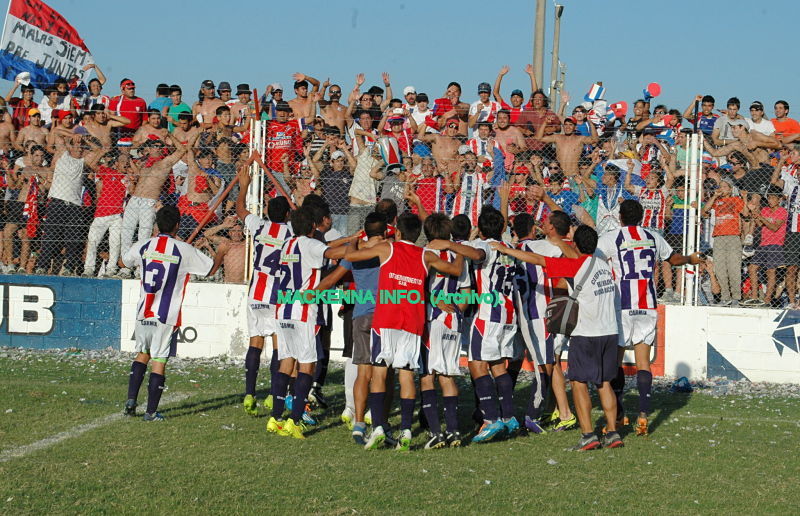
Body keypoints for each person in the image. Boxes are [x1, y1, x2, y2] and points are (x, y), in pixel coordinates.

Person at [492, 225, 623, 451]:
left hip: (586, 333)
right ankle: (613, 433)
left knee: (579, 384)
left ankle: (588, 435)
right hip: (610, 332)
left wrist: (508, 251)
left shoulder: (574, 265)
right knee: (604, 383)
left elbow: (538, 260)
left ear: (576, 245)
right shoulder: (603, 264)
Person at [344, 212, 465, 451]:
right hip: (412, 322)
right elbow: (455, 270)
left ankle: (378, 426)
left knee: (379, 373)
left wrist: (355, 239)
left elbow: (350, 256)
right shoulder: (425, 255)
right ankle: (407, 430)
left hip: (386, 319)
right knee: (406, 374)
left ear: (397, 232)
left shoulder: (386, 249)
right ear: (418, 234)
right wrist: (459, 249)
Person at [596, 200, 703, 436]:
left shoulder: (610, 238)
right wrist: (690, 259)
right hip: (647, 306)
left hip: (620, 306)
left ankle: (620, 414)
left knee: (615, 362)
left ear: (620, 217)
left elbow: (594, 260)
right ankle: (643, 416)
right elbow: (673, 259)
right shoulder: (653, 237)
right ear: (642, 217)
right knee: (643, 363)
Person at [122, 205, 214, 421]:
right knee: (159, 361)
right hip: (166, 315)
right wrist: (219, 253)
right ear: (178, 225)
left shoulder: (144, 245)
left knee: (142, 354)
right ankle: (151, 412)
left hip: (144, 312)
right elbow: (209, 269)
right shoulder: (183, 249)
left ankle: (130, 402)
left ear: (156, 225)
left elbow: (124, 261)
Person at [266, 206, 351, 439]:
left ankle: (276, 417)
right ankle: (294, 420)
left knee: (286, 363)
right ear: (313, 226)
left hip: (283, 309)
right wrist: (354, 248)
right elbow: (333, 253)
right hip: (303, 312)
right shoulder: (309, 243)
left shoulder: (287, 245)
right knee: (307, 366)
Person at [235, 166, 293, 416]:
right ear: (288, 214)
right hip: (278, 295)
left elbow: (239, 210)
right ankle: (272, 394)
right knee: (279, 346)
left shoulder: (259, 226)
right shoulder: (291, 233)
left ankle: (249, 394)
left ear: (268, 212)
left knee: (255, 342)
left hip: (256, 293)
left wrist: (244, 185)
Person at [512, 211, 577, 433]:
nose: (542, 225)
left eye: (546, 223)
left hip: (528, 312)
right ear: (533, 229)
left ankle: (550, 411)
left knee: (549, 361)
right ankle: (556, 411)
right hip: (544, 311)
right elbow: (571, 256)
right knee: (550, 362)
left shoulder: (512, 249)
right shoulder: (543, 247)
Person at [419, 214, 472, 449]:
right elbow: (467, 293)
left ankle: (436, 433)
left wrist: (434, 303)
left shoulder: (423, 255)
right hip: (453, 320)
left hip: (432, 320)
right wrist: (456, 313)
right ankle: (454, 431)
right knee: (448, 375)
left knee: (427, 376)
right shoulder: (459, 255)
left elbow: (416, 288)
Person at [701, 177, 749, 306]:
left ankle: (736, 297)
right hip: (719, 237)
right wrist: (714, 196)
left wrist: (744, 198)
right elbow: (705, 210)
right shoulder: (717, 201)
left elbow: (745, 212)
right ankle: (725, 297)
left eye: (724, 186)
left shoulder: (735, 199)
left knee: (734, 268)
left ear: (730, 189)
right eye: (720, 186)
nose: (721, 189)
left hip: (733, 237)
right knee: (720, 268)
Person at [744, 187, 787, 307]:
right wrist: (755, 214)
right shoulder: (765, 210)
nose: (770, 200)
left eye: (773, 198)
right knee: (752, 268)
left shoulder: (782, 211)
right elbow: (759, 224)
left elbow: (774, 227)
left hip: (775, 245)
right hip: (763, 244)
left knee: (771, 271)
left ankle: (767, 300)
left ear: (779, 200)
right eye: (769, 198)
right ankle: (755, 297)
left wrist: (761, 217)